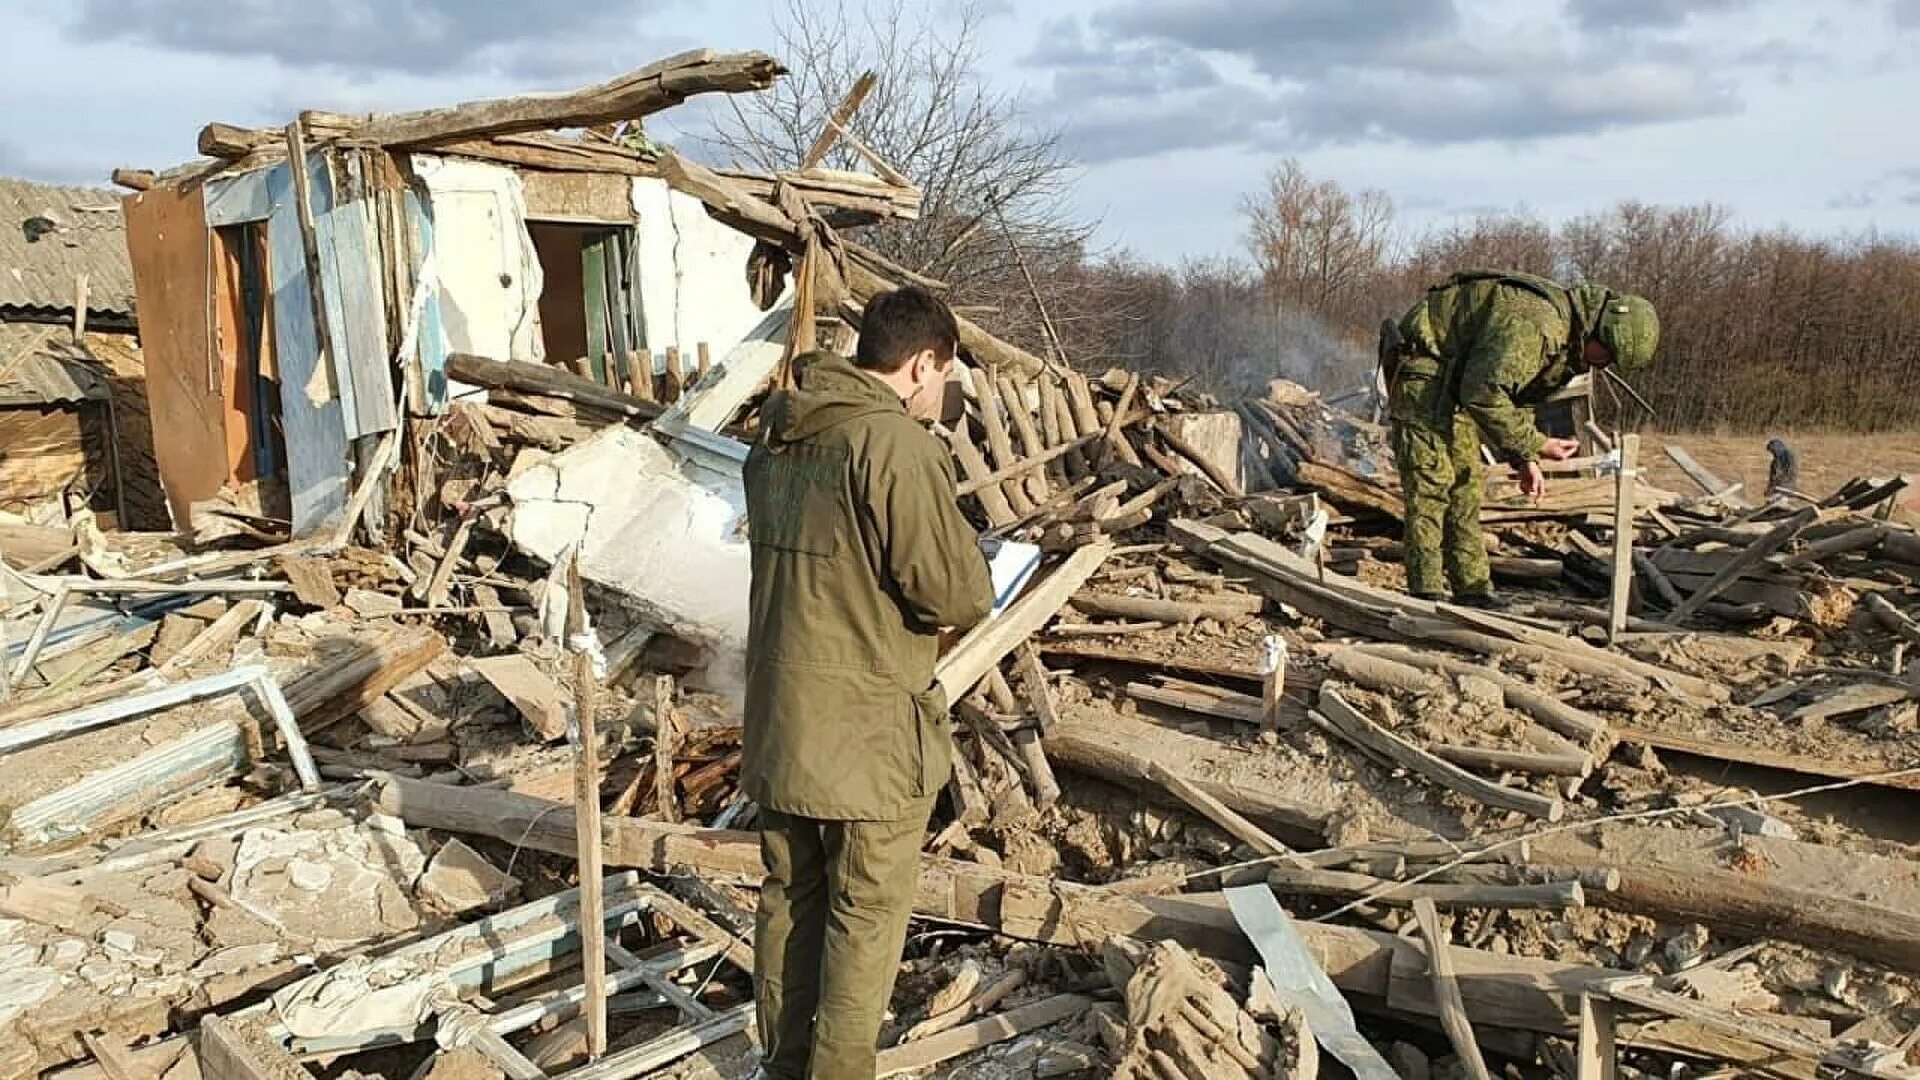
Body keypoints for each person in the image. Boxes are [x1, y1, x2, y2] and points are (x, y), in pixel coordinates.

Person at [741, 286, 995, 1080]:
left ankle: (781, 1068)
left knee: (790, 904)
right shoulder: (894, 446)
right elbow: (956, 594)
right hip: (870, 739)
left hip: (784, 725)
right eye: (942, 375)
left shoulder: (776, 437)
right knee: (865, 920)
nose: (939, 393)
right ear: (923, 362)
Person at [1383, 270, 1658, 607]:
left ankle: (1473, 590)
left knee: (1466, 486)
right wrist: (1537, 444)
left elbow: (1515, 397)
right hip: (1424, 372)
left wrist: (1525, 459)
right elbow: (1484, 392)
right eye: (1607, 354)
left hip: (1455, 382)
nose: (1603, 365)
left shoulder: (1565, 338)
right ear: (1600, 330)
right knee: (1432, 483)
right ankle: (1424, 594)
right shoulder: (1539, 325)